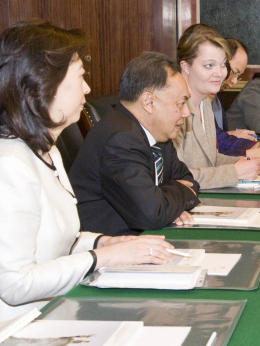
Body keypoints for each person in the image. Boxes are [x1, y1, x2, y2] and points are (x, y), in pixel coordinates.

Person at [0, 20, 174, 328]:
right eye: (80, 77)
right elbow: (16, 285)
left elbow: (56, 241)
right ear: (43, 84)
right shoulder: (7, 165)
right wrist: (102, 259)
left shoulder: (47, 148)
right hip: (15, 335)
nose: (87, 88)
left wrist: (102, 243)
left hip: (55, 317)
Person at [70, 52, 201, 236]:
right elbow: (152, 214)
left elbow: (189, 181)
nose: (186, 113)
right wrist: (166, 199)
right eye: (180, 103)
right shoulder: (119, 139)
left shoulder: (158, 135)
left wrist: (163, 200)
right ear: (148, 102)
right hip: (109, 250)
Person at [174, 24, 260, 189]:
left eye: (223, 64)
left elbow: (211, 159)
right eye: (209, 65)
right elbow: (178, 178)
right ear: (185, 66)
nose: (220, 73)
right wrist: (235, 172)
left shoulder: (205, 103)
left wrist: (246, 163)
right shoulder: (173, 109)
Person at [213, 37, 256, 156]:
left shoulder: (216, 96)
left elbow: (218, 136)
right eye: (234, 72)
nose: (235, 81)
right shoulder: (201, 97)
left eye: (239, 76)